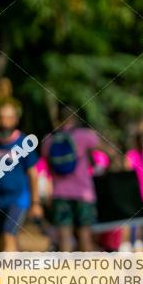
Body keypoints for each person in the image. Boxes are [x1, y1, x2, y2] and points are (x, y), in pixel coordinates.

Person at [42, 106, 113, 252]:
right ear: (75, 118)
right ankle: (87, 273)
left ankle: (67, 273)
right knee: (85, 236)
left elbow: (47, 166)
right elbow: (110, 152)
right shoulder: (85, 135)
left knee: (64, 237)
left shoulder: (49, 140)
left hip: (60, 193)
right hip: (84, 193)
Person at [0, 100, 41, 252]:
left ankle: (7, 274)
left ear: (15, 120)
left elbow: (33, 174)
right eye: (1, 118)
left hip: (18, 198)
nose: (4, 122)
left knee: (9, 234)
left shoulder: (24, 143)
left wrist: (35, 202)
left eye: (8, 118)